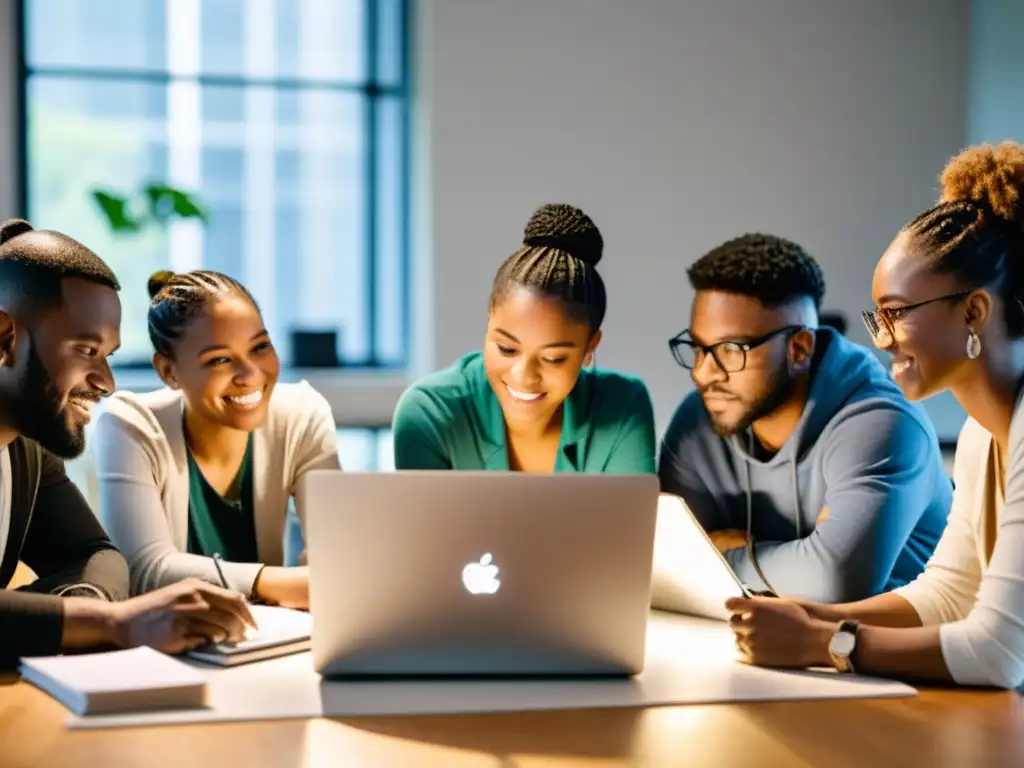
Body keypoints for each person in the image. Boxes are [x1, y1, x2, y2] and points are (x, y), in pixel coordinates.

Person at [725, 141, 1024, 689]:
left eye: (896, 314)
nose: (882, 339)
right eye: (877, 317)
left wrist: (822, 643)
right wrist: (803, 615)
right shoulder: (985, 433)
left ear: (975, 312)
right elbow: (950, 595)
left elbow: (1000, 651)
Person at [0, 219, 254, 668]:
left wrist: (78, 608)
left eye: (108, 355)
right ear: (5, 340)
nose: (106, 382)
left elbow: (93, 554)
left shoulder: (27, 451)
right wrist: (114, 622)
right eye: (86, 350)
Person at [659, 234, 951, 602]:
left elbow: (834, 580)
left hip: (891, 651)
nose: (703, 374)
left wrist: (725, 554)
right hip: (753, 645)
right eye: (698, 348)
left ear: (798, 348)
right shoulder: (698, 420)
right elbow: (663, 561)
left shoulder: (883, 423)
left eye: (731, 350)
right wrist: (803, 557)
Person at [91, 270, 340, 609]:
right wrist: (287, 583)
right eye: (219, 359)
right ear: (169, 372)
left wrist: (324, 572)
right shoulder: (130, 425)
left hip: (267, 641)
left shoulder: (301, 415)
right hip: (165, 649)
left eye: (260, 347)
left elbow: (337, 560)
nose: (251, 374)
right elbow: (144, 572)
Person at [393, 203, 655, 473]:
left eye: (553, 358)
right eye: (506, 349)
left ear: (590, 347)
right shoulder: (429, 413)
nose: (523, 376)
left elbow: (627, 516)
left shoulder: (623, 408)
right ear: (488, 323)